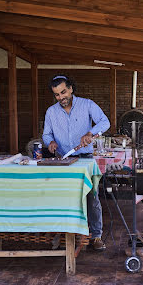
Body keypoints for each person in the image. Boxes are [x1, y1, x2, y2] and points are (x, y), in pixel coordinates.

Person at [42, 74, 110, 251]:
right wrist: (50, 142)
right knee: (62, 198)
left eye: (63, 92)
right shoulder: (51, 112)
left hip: (85, 159)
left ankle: (96, 236)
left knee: (91, 198)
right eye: (57, 94)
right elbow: (46, 134)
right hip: (63, 161)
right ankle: (64, 234)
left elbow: (105, 122)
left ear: (71, 88)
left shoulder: (87, 105)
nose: (61, 97)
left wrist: (90, 134)